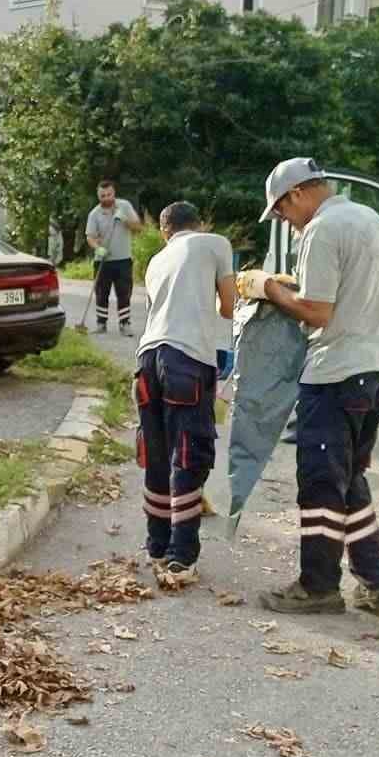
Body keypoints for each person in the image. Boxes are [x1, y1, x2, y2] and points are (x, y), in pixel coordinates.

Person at [240, 157, 379, 614]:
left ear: (296, 195)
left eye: (280, 212)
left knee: (321, 484)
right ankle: (376, 582)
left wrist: (268, 287)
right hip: (377, 371)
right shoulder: (370, 220)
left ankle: (318, 587)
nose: (283, 221)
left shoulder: (323, 230)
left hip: (336, 374)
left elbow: (316, 311)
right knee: (350, 480)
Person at [135, 202, 236, 573]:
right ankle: (182, 556)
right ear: (201, 224)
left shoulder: (155, 261)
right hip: (187, 361)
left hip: (147, 361)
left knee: (157, 455)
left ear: (165, 231)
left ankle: (157, 545)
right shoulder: (215, 244)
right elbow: (229, 306)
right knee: (188, 456)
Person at [84, 179, 141, 336]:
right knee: (102, 293)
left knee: (124, 292)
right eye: (103, 196)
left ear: (113, 193)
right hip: (103, 260)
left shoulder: (125, 206)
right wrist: (98, 248)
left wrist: (124, 219)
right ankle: (101, 324)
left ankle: (125, 324)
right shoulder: (94, 214)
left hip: (123, 259)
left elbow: (137, 227)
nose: (106, 198)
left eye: (109, 194)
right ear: (98, 196)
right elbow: (90, 236)